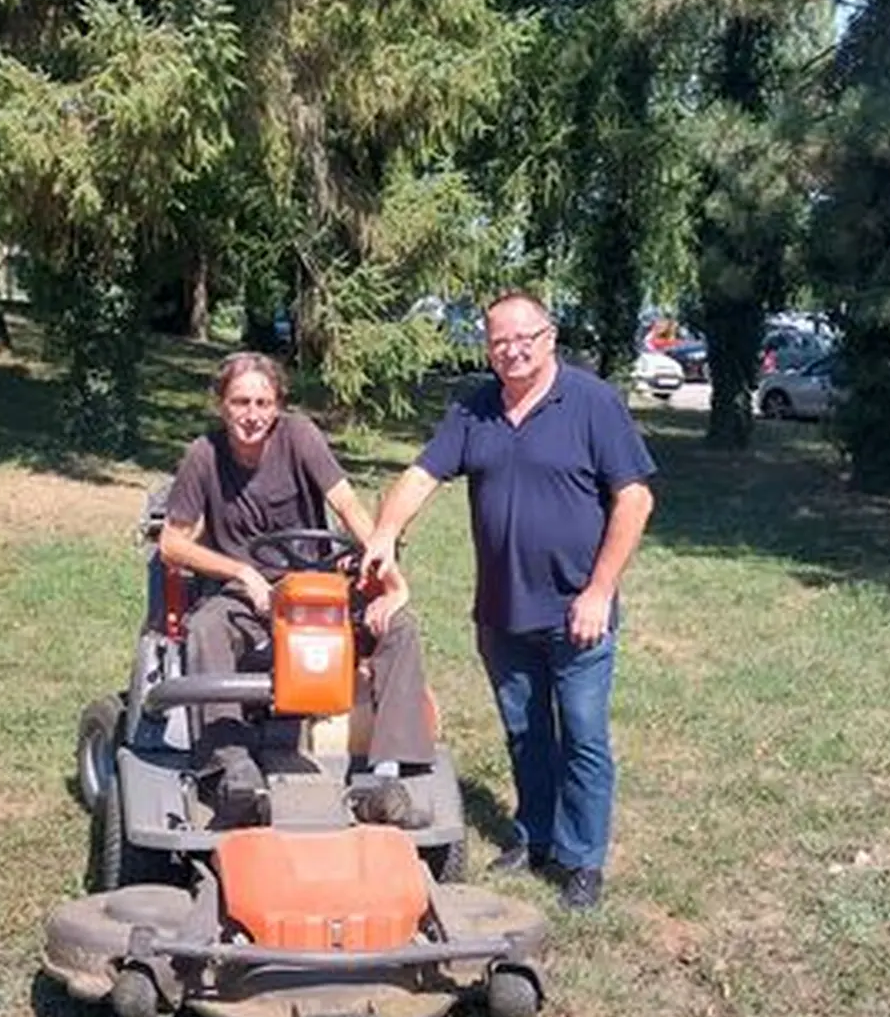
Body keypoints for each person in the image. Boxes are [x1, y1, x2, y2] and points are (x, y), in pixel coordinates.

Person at [363, 292, 655, 909]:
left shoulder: (592, 402)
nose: (512, 350)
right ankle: (535, 836)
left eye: (525, 338)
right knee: (525, 733)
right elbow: (422, 474)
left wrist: (599, 590)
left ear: (550, 337)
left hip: (578, 610)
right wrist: (385, 532)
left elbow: (634, 498)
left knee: (582, 735)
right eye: (498, 340)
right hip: (502, 610)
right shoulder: (475, 408)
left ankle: (582, 861)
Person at [158, 351, 434, 826]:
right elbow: (171, 543)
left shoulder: (299, 436)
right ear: (221, 405)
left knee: (399, 626)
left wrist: (389, 579)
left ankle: (386, 776)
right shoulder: (204, 456)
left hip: (317, 586)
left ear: (278, 406)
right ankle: (230, 769)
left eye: (263, 403)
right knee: (206, 626)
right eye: (240, 402)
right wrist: (241, 572)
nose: (252, 415)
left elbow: (347, 506)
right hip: (247, 597)